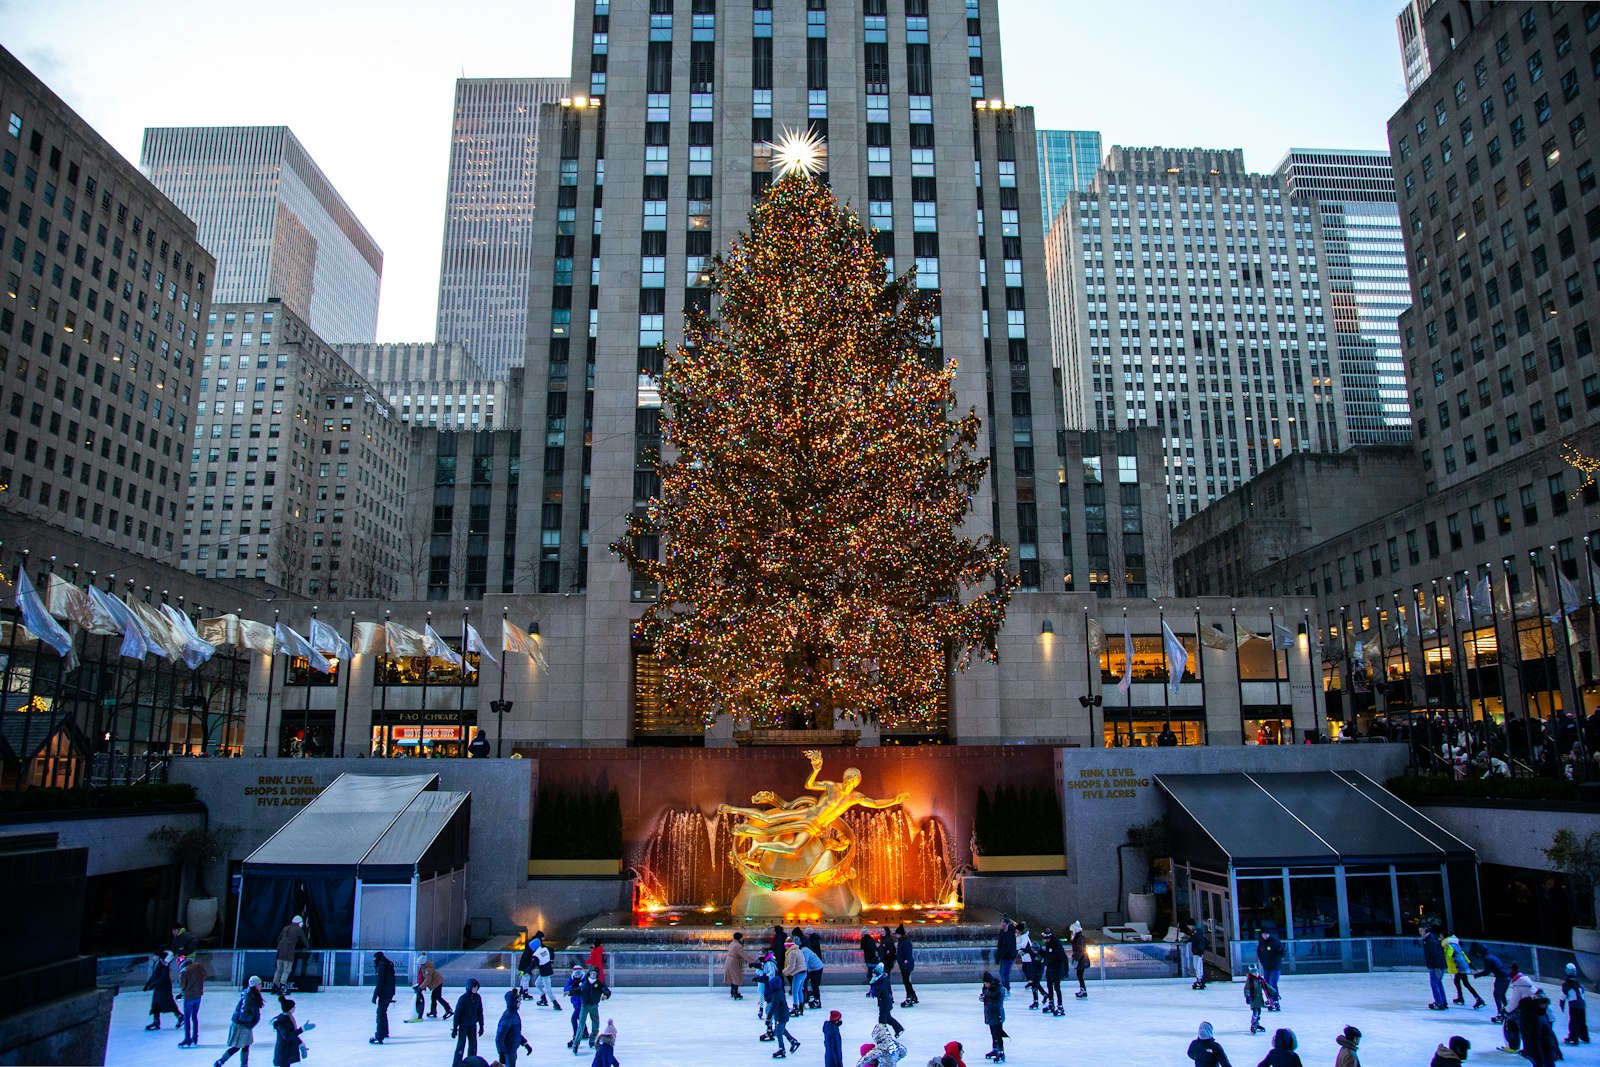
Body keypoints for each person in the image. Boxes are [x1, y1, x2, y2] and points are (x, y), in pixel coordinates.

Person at [215, 977, 265, 1067]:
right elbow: (243, 1014)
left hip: (246, 1025)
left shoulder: (252, 995)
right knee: (237, 1047)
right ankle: (220, 1062)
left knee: (246, 1046)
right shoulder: (248, 997)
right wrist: (251, 1020)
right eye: (259, 984)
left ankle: (244, 1064)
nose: (261, 986)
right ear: (255, 985)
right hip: (241, 1025)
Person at [1518, 990, 1559, 1067]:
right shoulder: (1534, 1016)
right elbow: (1534, 1038)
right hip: (1541, 1050)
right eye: (1545, 1005)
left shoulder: (1539, 1013)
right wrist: (1540, 1060)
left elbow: (1549, 1033)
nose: (1546, 1008)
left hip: (1545, 1048)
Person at [269, 996, 312, 1067]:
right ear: (290, 1009)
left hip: (287, 1051)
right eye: (293, 1007)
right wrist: (302, 1029)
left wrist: (301, 1044)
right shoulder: (282, 1020)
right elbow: (287, 1036)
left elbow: (292, 1034)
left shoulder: (288, 1018)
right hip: (284, 1052)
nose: (295, 1008)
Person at [575, 966, 610, 1051]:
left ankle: (592, 1039)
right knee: (581, 1025)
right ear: (589, 974)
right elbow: (578, 990)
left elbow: (607, 990)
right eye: (592, 973)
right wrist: (569, 992)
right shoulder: (585, 983)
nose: (593, 975)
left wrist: (605, 995)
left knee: (595, 1024)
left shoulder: (599, 984)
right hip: (584, 1006)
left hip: (594, 1006)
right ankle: (576, 1043)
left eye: (595, 974)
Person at [495, 989, 534, 1067]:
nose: (520, 1003)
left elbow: (516, 1032)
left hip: (512, 1049)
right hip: (507, 1051)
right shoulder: (508, 1016)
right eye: (518, 1001)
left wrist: (525, 1043)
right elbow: (499, 1037)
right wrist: (501, 1053)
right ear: (513, 1002)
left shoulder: (514, 1014)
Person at [451, 978, 485, 1067]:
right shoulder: (463, 998)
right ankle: (456, 1064)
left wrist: (481, 1026)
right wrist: (455, 1028)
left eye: (476, 987)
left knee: (473, 1045)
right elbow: (457, 1013)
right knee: (461, 1045)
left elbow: (480, 1012)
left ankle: (471, 1063)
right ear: (469, 987)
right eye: (473, 987)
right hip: (463, 1025)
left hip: (473, 1025)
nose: (475, 989)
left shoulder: (478, 998)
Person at [1473, 944, 1511, 1022]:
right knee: (1502, 995)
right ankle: (1508, 1012)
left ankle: (1500, 1014)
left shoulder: (1487, 958)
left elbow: (1487, 971)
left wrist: (1478, 975)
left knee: (1497, 994)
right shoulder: (1491, 956)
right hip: (1507, 976)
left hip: (1501, 978)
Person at [177, 952, 209, 1047]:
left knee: (187, 1018)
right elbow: (205, 975)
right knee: (194, 1017)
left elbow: (182, 985)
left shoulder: (184, 971)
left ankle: (187, 1038)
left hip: (189, 996)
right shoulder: (198, 966)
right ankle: (195, 1037)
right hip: (198, 995)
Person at [144, 950, 181, 1030]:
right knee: (155, 1004)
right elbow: (154, 975)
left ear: (158, 956)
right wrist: (148, 984)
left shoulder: (164, 964)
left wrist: (154, 984)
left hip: (164, 988)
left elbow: (164, 977)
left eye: (155, 955)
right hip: (158, 987)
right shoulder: (156, 963)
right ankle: (156, 1021)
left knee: (167, 1002)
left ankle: (180, 1016)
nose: (153, 957)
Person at [1444, 935, 1484, 1009]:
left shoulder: (1450, 946)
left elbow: (1448, 956)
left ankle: (1479, 999)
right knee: (1457, 980)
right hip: (1462, 967)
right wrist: (1470, 964)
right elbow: (1463, 955)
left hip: (1460, 967)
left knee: (1466, 983)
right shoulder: (1457, 946)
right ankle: (1460, 997)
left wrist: (1445, 962)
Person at [272, 917, 308, 993]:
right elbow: (304, 939)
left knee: (279, 969)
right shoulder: (298, 929)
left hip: (280, 951)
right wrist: (307, 947)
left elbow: (279, 938)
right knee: (286, 970)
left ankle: (274, 986)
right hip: (288, 952)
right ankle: (282, 987)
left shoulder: (286, 928)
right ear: (299, 923)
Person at [869, 961, 903, 1037]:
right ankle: (899, 1029)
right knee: (888, 1018)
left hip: (885, 1003)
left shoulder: (880, 982)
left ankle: (882, 1034)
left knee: (882, 1020)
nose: (873, 975)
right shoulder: (883, 979)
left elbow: (877, 993)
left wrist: (873, 985)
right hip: (886, 1002)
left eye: (874, 974)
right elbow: (889, 990)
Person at [981, 969, 1007, 1063]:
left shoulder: (999, 989)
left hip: (997, 1014)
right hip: (990, 1014)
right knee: (993, 1033)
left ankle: (1001, 1051)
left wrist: (987, 1000)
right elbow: (985, 997)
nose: (985, 985)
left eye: (987, 983)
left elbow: (999, 1003)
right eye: (984, 983)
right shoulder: (985, 988)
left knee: (998, 1033)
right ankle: (995, 1049)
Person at [1256, 925, 1284, 1011]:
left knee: (1273, 983)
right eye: (1263, 934)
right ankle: (1270, 999)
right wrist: (1262, 961)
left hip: (1275, 967)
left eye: (1266, 934)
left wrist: (1275, 961)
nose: (1265, 936)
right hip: (1266, 966)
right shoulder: (1261, 941)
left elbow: (1281, 952)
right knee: (1267, 984)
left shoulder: (1275, 941)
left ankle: (1275, 1000)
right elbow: (1259, 951)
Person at [370, 951, 396, 1045]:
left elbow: (380, 982)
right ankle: (384, 1032)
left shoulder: (382, 966)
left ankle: (379, 1036)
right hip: (389, 991)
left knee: (380, 1012)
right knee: (383, 1011)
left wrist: (375, 995)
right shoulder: (387, 964)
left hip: (385, 992)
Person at [769, 983, 801, 1058]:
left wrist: (768, 1017)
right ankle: (793, 1042)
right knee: (781, 1029)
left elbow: (774, 1006)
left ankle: (782, 1049)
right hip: (782, 1015)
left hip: (781, 1016)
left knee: (778, 1032)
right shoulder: (779, 992)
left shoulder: (776, 994)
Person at [1561, 961, 1589, 1044]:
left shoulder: (1567, 984)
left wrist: (1561, 1003)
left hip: (1574, 1005)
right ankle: (1585, 1037)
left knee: (1573, 1021)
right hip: (1582, 1005)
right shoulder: (1578, 984)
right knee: (1582, 1021)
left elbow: (1563, 995)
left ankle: (1573, 1037)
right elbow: (1582, 993)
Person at [1422, 925, 1449, 1010]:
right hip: (1439, 965)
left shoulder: (1430, 941)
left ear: (1426, 931)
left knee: (1434, 984)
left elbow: (1435, 954)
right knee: (1438, 983)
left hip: (1436, 966)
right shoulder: (1432, 940)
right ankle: (1443, 1002)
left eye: (1421, 931)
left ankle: (1439, 1003)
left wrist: (1437, 966)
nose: (1420, 933)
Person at [725, 930, 757, 1000]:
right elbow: (744, 955)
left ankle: (733, 991)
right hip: (734, 962)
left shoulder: (732, 943)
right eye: (742, 938)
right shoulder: (738, 945)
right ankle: (735, 992)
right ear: (739, 938)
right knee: (736, 977)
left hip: (729, 961)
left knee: (733, 977)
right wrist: (754, 961)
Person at [1243, 964, 1274, 1035]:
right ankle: (1253, 1025)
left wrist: (1273, 991)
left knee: (1259, 1012)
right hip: (1253, 999)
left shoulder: (1260, 980)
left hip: (1259, 999)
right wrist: (1247, 997)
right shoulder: (1250, 981)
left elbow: (1266, 986)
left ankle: (1256, 1024)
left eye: (1257, 973)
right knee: (1255, 1012)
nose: (1256, 974)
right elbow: (1246, 989)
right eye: (1254, 973)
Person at [1041, 928, 1066, 1015]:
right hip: (1050, 968)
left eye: (1046, 939)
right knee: (1049, 986)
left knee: (1057, 987)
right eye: (1044, 939)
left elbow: (1063, 957)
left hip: (1056, 968)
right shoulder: (1048, 944)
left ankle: (1060, 1007)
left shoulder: (1056, 944)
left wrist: (1065, 971)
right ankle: (1051, 1004)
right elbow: (1048, 955)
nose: (1045, 940)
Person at [784, 936, 808, 1015]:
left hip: (798, 973)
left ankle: (795, 1008)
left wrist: (784, 971)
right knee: (799, 990)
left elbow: (792, 966)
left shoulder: (792, 953)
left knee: (794, 991)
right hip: (804, 972)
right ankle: (801, 1007)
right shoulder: (798, 950)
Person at [896, 925, 918, 1008]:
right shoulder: (901, 942)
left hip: (906, 966)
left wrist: (905, 964)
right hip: (904, 965)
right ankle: (913, 996)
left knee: (906, 982)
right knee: (907, 981)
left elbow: (908, 955)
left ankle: (909, 997)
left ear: (901, 934)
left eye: (897, 934)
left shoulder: (905, 942)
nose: (896, 935)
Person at [803, 933, 826, 1009]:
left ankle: (817, 1000)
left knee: (815, 985)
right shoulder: (805, 949)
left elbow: (805, 963)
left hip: (817, 968)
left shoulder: (804, 951)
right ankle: (812, 998)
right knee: (812, 983)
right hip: (813, 968)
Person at [535, 937, 559, 1009]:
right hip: (544, 972)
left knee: (548, 990)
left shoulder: (539, 952)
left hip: (545, 973)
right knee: (537, 984)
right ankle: (543, 999)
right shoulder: (544, 949)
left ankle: (555, 1003)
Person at [994, 917, 1017, 992]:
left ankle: (1006, 988)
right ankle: (1005, 986)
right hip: (1004, 956)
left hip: (1008, 956)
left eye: (1003, 922)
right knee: (1002, 972)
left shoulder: (1009, 934)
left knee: (1004, 973)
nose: (1001, 923)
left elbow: (1006, 947)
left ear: (1007, 924)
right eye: (1001, 922)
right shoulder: (1003, 932)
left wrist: (999, 956)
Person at [1069, 920, 1089, 999]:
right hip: (1081, 959)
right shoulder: (1078, 937)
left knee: (1079, 975)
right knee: (1079, 975)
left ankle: (1083, 991)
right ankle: (1082, 990)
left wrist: (1076, 958)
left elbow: (1080, 950)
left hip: (1081, 960)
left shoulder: (1079, 938)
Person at [1188, 923, 1210, 990]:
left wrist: (1200, 952)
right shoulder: (1199, 937)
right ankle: (1200, 979)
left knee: (1197, 966)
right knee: (1198, 966)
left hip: (1198, 954)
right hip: (1198, 953)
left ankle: (1200, 979)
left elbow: (1200, 945)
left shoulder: (1197, 937)